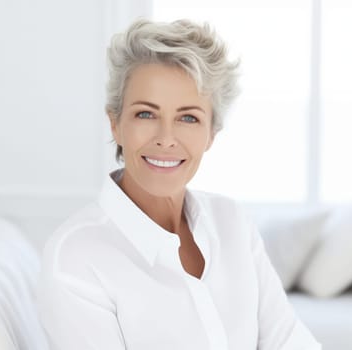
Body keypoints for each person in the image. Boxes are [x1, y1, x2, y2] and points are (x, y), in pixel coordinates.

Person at [37, 18, 321, 350]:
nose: (166, 139)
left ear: (211, 134)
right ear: (115, 124)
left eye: (188, 118)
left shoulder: (232, 223)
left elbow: (290, 342)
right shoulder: (76, 258)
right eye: (146, 114)